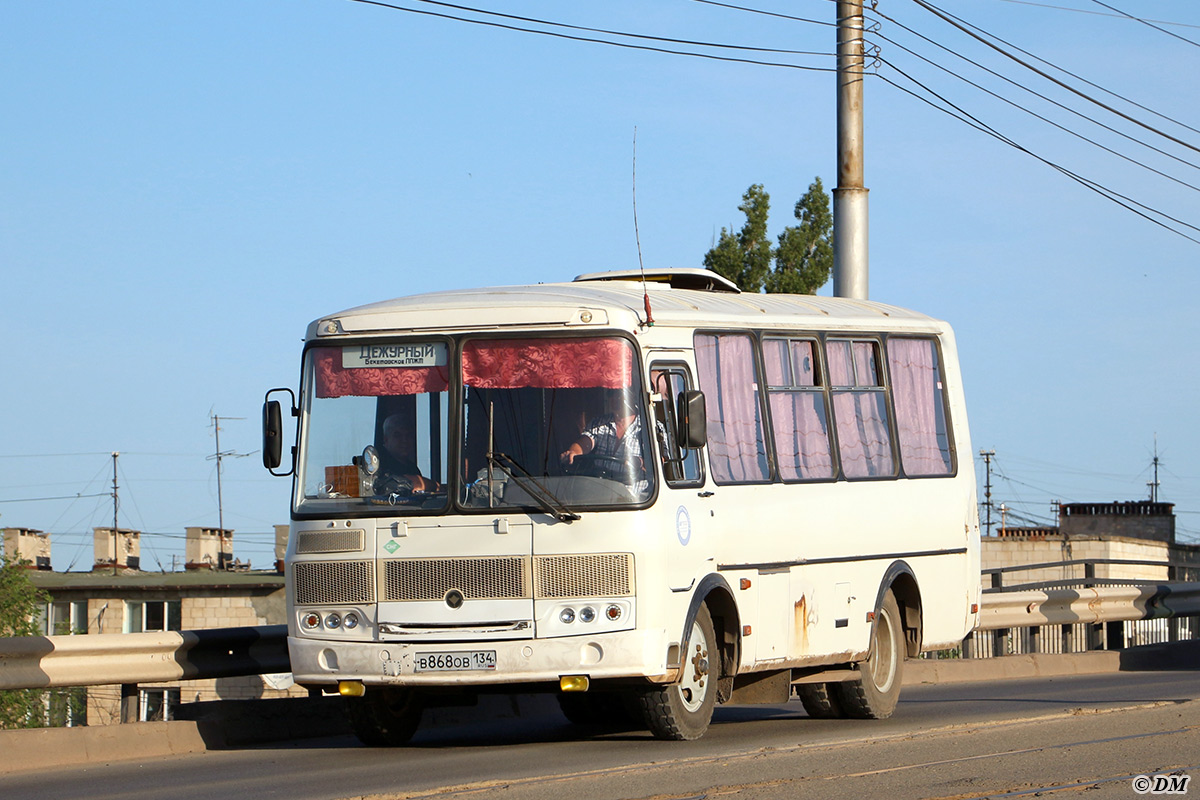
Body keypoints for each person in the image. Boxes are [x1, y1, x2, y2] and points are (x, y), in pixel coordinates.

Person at [559, 390, 647, 489]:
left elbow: (661, 461)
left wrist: (639, 462)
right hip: (600, 490)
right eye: (611, 393)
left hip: (636, 496)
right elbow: (585, 441)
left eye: (619, 394)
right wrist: (573, 452)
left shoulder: (648, 427)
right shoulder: (598, 423)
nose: (615, 398)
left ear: (631, 396)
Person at [378, 414, 439, 494]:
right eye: (398, 435)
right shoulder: (379, 465)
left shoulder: (412, 468)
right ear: (386, 439)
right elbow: (393, 484)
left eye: (408, 435)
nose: (404, 440)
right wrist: (433, 485)